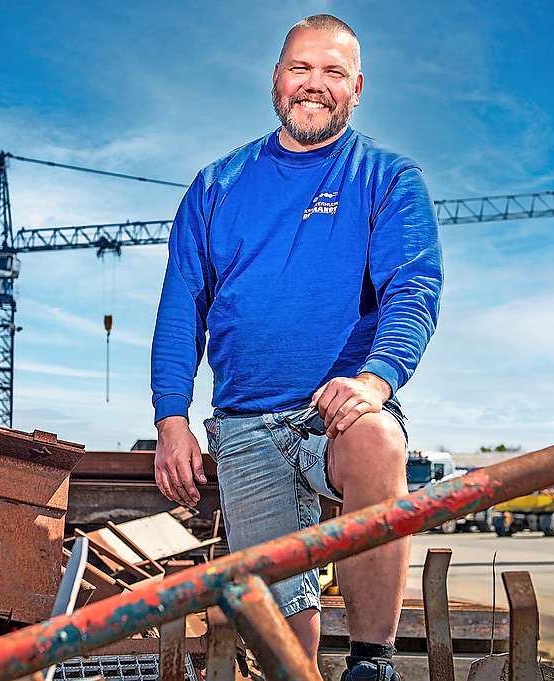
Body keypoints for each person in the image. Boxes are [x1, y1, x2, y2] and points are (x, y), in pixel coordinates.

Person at [150, 14, 442, 681]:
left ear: (357, 87)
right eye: (300, 68)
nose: (316, 85)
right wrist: (171, 419)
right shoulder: (216, 185)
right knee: (285, 645)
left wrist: (375, 380)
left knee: (379, 442)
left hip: (333, 409)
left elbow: (413, 288)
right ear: (276, 79)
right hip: (246, 424)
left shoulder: (388, 178)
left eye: (333, 72)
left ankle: (372, 662)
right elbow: (180, 307)